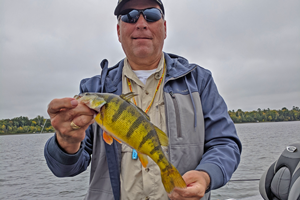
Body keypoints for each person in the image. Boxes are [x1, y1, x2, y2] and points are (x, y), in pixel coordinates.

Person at [44, 0, 242, 199]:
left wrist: (206, 175)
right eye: (129, 16)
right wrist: (66, 142)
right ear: (118, 31)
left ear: (164, 28)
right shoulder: (94, 89)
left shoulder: (199, 81)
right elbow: (64, 169)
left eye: (151, 15)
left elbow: (225, 143)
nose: (140, 23)